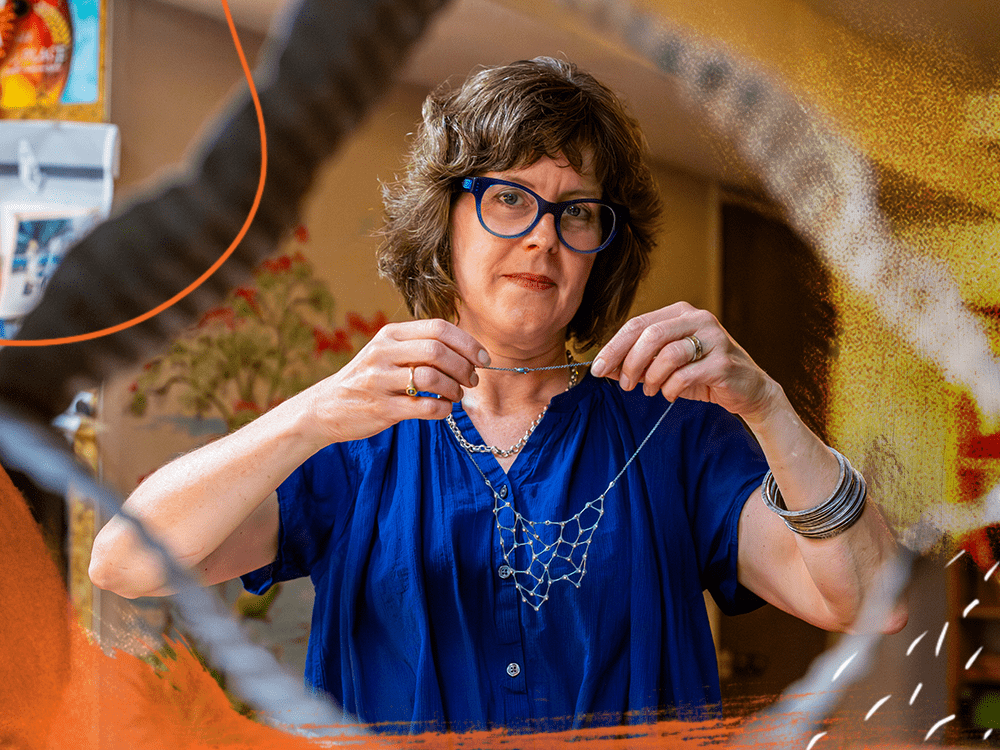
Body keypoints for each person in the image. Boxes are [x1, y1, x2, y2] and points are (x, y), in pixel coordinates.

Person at [90, 57, 906, 734]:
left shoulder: (676, 434)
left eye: (576, 211)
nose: (544, 235)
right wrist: (310, 414)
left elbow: (865, 600)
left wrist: (767, 405)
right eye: (509, 198)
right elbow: (125, 562)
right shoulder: (352, 438)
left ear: (599, 252)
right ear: (446, 219)